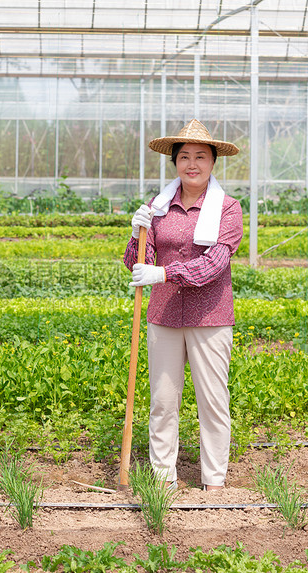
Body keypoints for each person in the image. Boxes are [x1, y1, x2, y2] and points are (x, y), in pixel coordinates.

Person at [123, 119, 243, 491]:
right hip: (163, 315)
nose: (193, 164)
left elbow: (214, 265)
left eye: (201, 157)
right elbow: (138, 262)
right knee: (162, 400)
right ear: (175, 162)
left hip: (210, 316)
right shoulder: (157, 207)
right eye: (185, 156)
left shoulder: (228, 208)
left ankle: (215, 482)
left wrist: (164, 274)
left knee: (211, 401)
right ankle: (162, 479)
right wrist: (135, 235)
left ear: (213, 163)